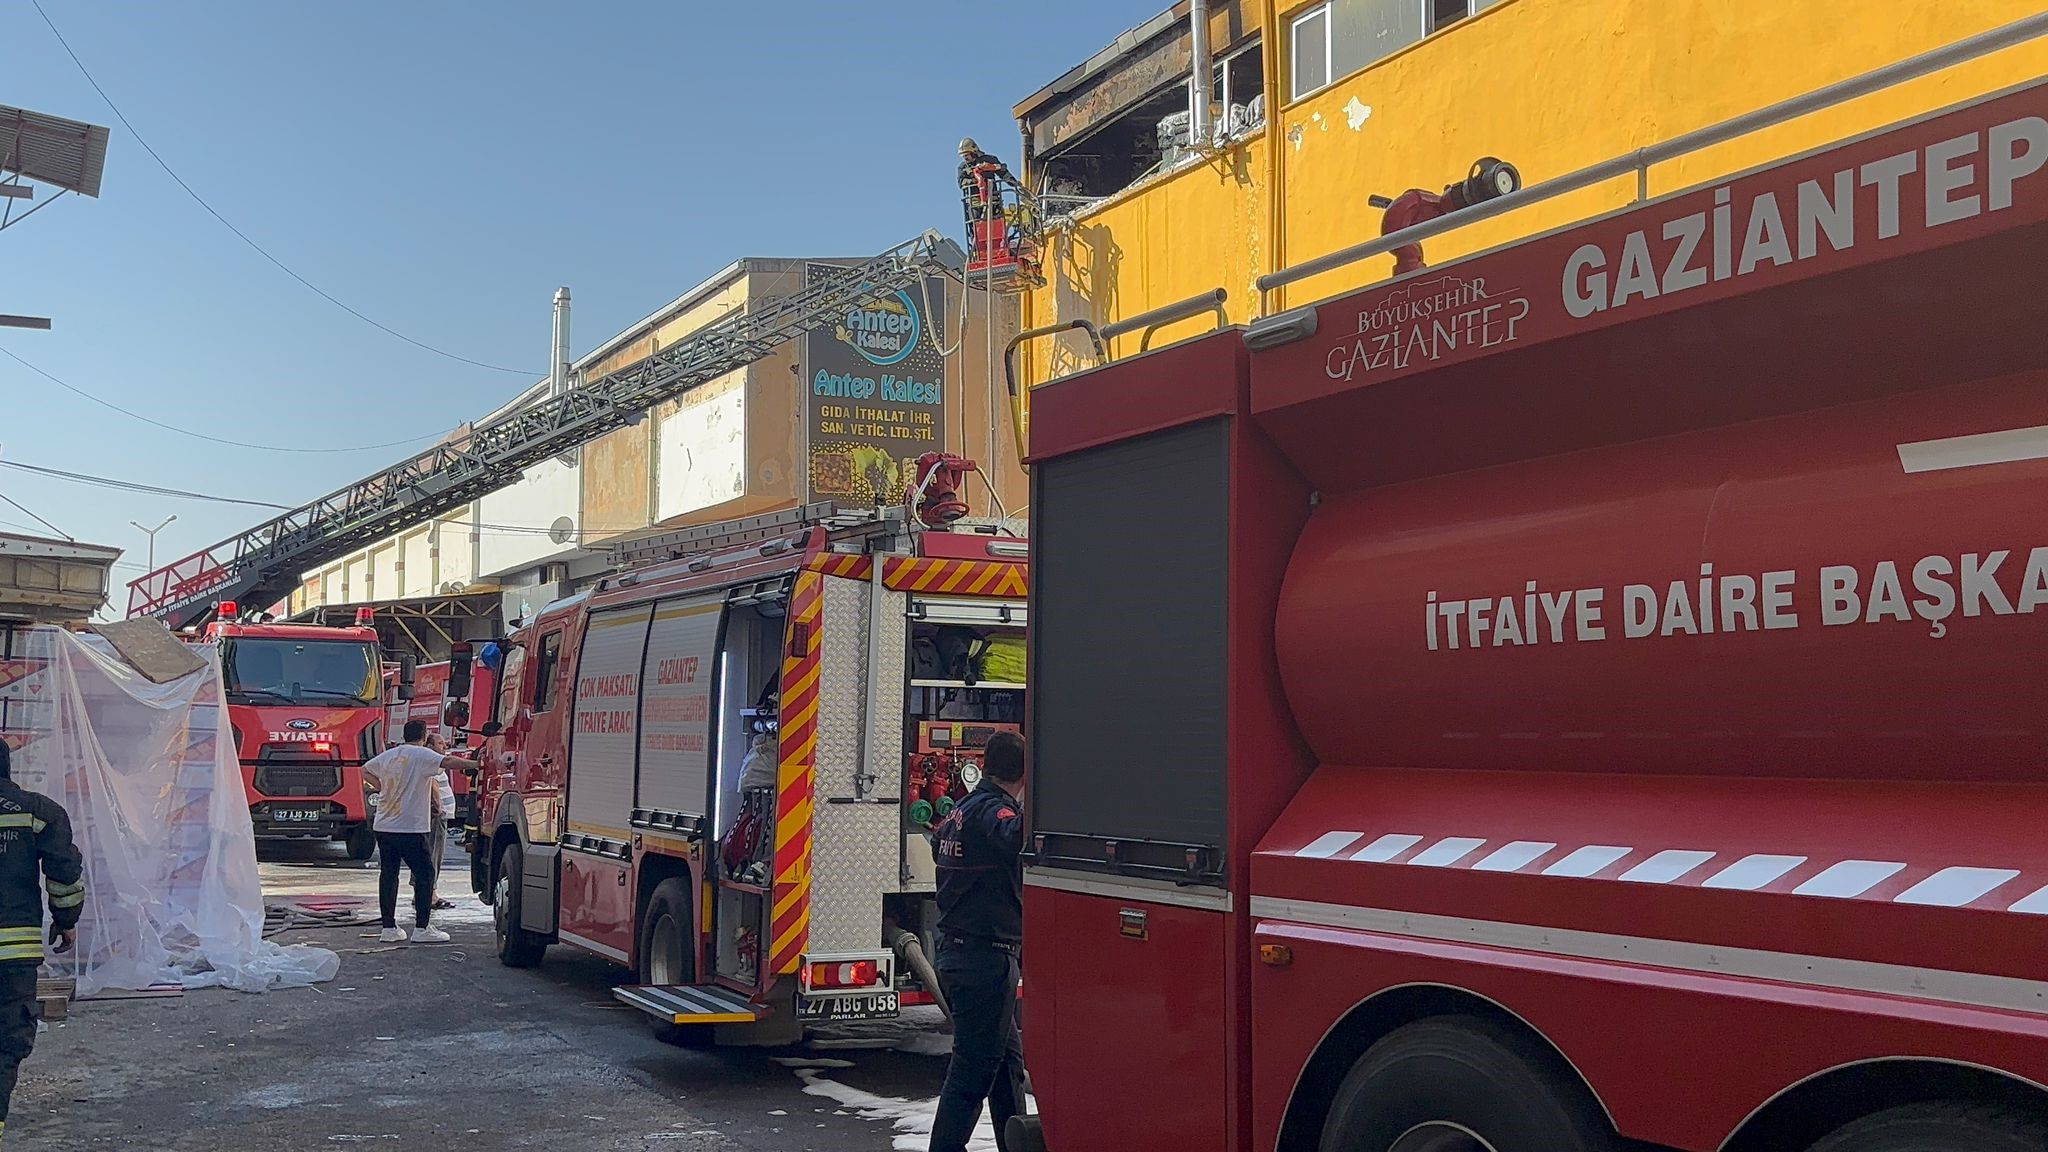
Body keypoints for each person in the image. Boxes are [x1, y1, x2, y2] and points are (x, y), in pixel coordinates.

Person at [928, 730, 1029, 1152]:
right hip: (984, 961)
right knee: (971, 1075)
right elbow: (1015, 836)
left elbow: (939, 845)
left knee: (1007, 1065)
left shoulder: (959, 811)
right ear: (1023, 773)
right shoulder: (993, 813)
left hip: (962, 955)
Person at [0, 740, 84, 1146]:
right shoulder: (38, 812)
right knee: (4, 1044)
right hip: (12, 959)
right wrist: (66, 921)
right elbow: (64, 872)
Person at [362, 720, 474, 943]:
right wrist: (478, 764)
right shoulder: (422, 754)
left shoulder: (390, 755)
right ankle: (422, 928)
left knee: (389, 875)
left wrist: (384, 787)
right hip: (410, 826)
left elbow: (365, 770)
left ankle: (389, 928)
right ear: (423, 737)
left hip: (384, 825)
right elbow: (449, 761)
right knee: (425, 874)